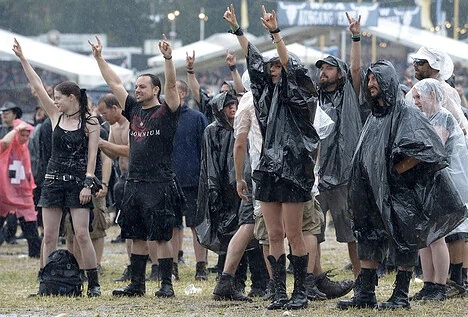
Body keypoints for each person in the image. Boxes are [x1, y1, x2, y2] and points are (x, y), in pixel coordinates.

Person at [337, 60, 467, 310]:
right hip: (372, 191)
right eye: (369, 79)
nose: (371, 84)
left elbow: (426, 149)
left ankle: (400, 294)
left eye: (376, 79)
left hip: (400, 192)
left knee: (403, 241)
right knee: (368, 235)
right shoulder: (375, 117)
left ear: (386, 82)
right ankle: (365, 293)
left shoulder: (406, 113)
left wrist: (396, 171)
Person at [224, 4, 320, 310]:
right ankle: (279, 291)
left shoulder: (300, 93)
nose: (274, 69)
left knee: (294, 232)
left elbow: (292, 67)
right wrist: (238, 30)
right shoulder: (262, 96)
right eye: (272, 67)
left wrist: (275, 33)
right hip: (267, 167)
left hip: (293, 166)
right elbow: (253, 59)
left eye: (278, 66)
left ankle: (300, 292)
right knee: (274, 234)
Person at [89, 34, 183, 298]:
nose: (137, 90)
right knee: (136, 235)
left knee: (161, 236)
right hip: (134, 181)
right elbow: (114, 82)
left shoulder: (166, 112)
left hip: (159, 182)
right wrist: (99, 58)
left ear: (155, 90)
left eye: (143, 86)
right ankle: (137, 285)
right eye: (137, 86)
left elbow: (173, 85)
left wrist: (168, 58)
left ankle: (166, 284)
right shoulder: (134, 110)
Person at [13, 38, 101, 297]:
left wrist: (88, 182)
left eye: (59, 98)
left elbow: (93, 155)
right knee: (49, 235)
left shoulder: (91, 121)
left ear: (72, 97)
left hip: (78, 182)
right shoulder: (55, 115)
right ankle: (45, 282)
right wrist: (23, 59)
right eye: (54, 98)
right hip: (53, 179)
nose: (55, 101)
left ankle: (93, 283)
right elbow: (38, 86)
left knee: (82, 234)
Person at [314, 12, 363, 278]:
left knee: (351, 232)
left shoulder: (350, 94)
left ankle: (360, 279)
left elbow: (356, 69)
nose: (323, 71)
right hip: (318, 177)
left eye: (329, 68)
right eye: (321, 68)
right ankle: (316, 278)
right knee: (312, 231)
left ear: (340, 73)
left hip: (345, 176)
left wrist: (355, 36)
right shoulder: (314, 97)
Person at [411, 78, 468, 300]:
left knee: (437, 237)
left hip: (441, 184)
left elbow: (433, 149)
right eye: (414, 97)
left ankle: (440, 284)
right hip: (426, 184)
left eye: (419, 97)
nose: (415, 101)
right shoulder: (425, 118)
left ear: (432, 96)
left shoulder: (443, 117)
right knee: (424, 237)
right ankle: (428, 283)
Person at [172, 79, 209, 280]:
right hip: (170, 181)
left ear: (183, 94)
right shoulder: (163, 118)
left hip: (193, 181)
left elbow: (205, 149)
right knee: (172, 226)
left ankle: (201, 266)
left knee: (197, 226)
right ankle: (173, 266)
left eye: (173, 90)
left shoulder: (196, 118)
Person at [0, 119, 41, 257]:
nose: (24, 139)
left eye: (26, 136)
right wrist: (16, 129)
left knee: (30, 225)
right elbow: (4, 142)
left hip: (22, 194)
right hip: (5, 193)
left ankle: (35, 254)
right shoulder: (8, 147)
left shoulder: (24, 150)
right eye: (21, 135)